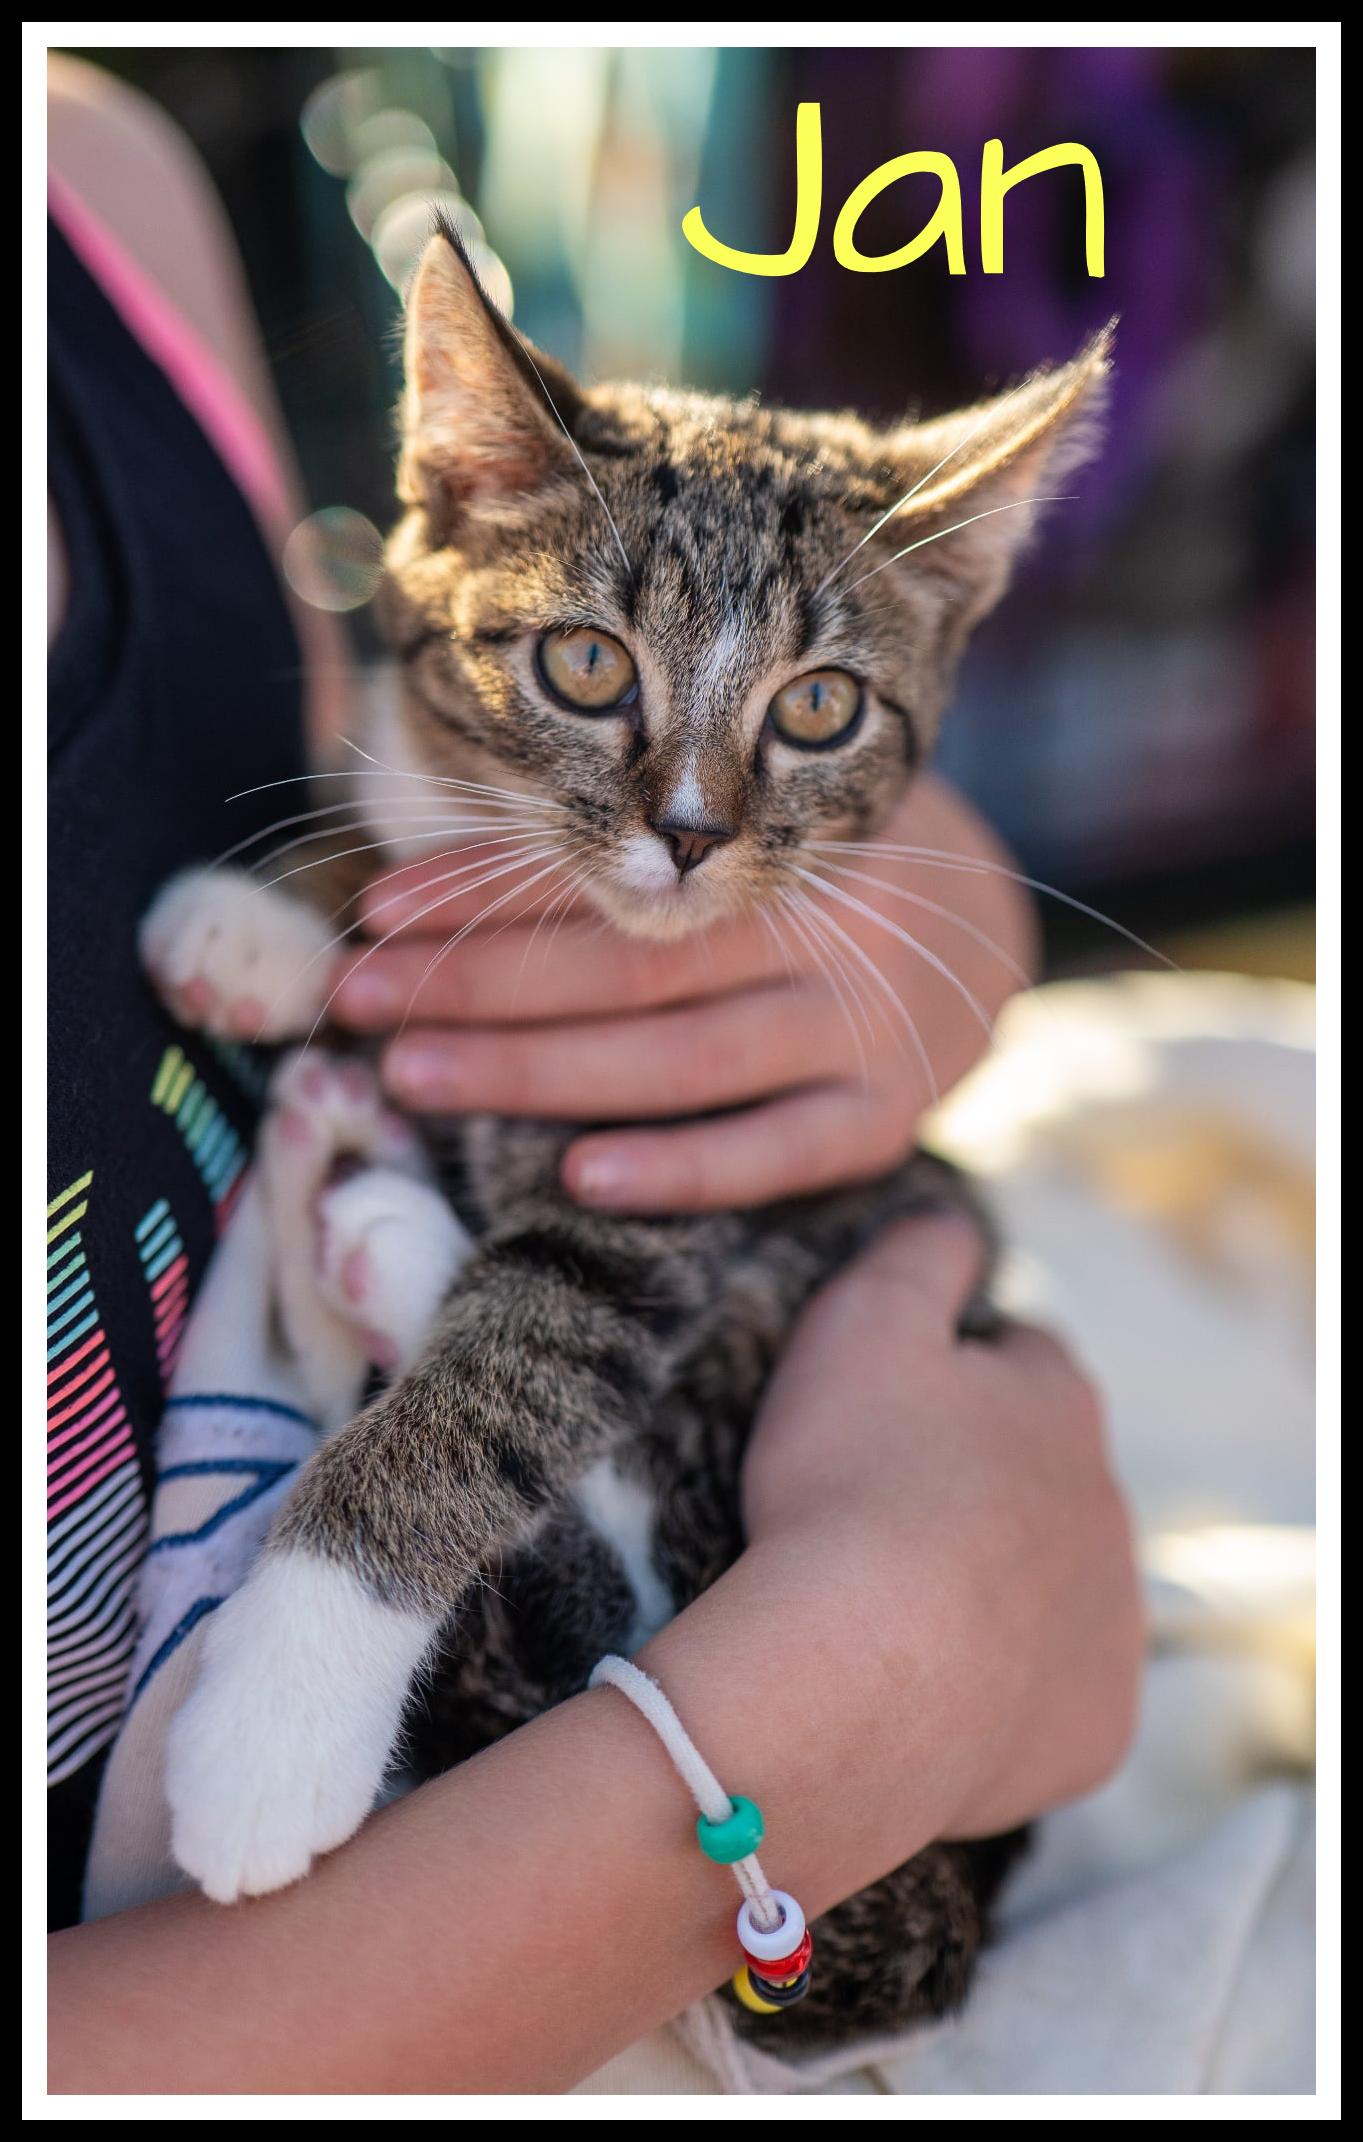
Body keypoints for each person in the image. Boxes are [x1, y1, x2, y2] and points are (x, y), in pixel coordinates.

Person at [46, 57, 1141, 2092]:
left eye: (808, 714)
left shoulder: (101, 205)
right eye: (587, 672)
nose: (688, 816)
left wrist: (953, 903)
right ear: (457, 495)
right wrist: (853, 1677)